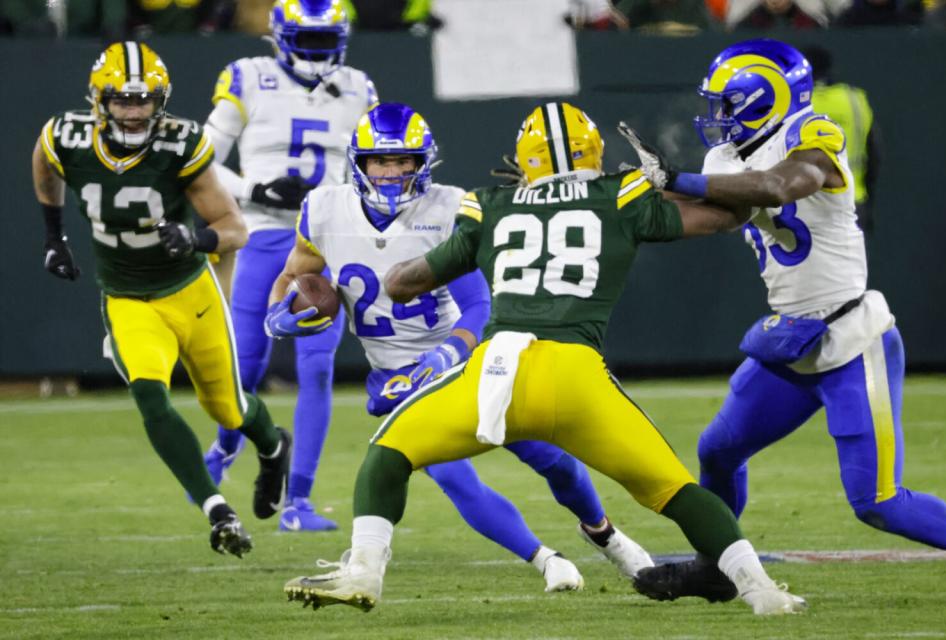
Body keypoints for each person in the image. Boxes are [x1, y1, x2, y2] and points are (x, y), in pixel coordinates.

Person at [281, 101, 807, 615]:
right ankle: (761, 589)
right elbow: (723, 218)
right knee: (675, 490)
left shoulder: (489, 203)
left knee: (386, 457)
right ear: (594, 151)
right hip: (576, 376)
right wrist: (670, 181)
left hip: (494, 374)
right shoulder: (619, 194)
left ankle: (365, 570)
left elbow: (400, 283)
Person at [265, 102, 657, 592]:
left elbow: (477, 305)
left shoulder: (449, 207)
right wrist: (279, 314)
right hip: (395, 374)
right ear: (359, 163)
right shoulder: (325, 210)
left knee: (550, 458)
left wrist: (443, 357)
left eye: (404, 162)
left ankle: (608, 537)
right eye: (381, 162)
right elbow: (291, 277)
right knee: (452, 477)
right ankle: (545, 560)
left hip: (471, 356)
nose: (392, 173)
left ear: (423, 163)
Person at [622, 38, 946, 602]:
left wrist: (674, 180)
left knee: (878, 503)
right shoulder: (724, 161)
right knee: (718, 451)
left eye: (728, 103)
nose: (718, 117)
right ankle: (716, 567)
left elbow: (781, 185)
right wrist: (617, 204)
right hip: (794, 338)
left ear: (766, 97)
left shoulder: (814, 129)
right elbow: (708, 217)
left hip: (853, 336)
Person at [31, 41, 291, 558]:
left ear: (161, 100)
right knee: (150, 395)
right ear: (97, 100)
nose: (134, 111)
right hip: (127, 298)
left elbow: (234, 228)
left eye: (144, 100)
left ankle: (274, 445)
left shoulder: (179, 144)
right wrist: (54, 235)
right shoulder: (66, 136)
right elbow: (43, 162)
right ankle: (216, 509)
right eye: (123, 101)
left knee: (229, 408)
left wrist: (195, 239)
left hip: (189, 292)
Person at [201, 0, 377, 532]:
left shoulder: (359, 87)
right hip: (263, 232)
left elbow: (371, 162)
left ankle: (298, 501)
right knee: (245, 367)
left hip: (326, 240)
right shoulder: (248, 76)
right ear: (281, 36)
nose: (321, 53)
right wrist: (254, 187)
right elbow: (200, 159)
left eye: (328, 42)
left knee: (318, 367)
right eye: (311, 41)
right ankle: (226, 449)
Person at [803, 45, 880, 231]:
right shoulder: (854, 100)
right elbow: (875, 154)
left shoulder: (790, 103)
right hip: (851, 203)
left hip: (802, 208)